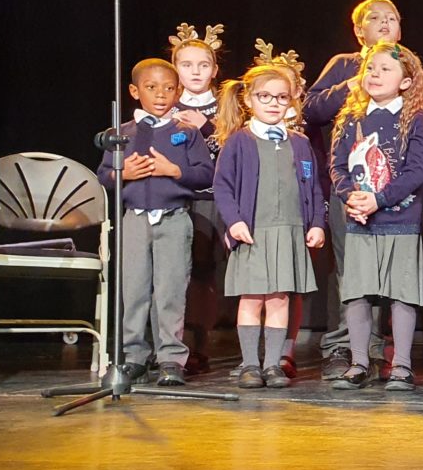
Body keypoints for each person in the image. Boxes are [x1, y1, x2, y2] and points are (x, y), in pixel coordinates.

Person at [305, 0, 423, 380]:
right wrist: (352, 195)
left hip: (397, 207)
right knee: (353, 278)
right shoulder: (346, 72)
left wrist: (381, 197)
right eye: (374, 18)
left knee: (397, 285)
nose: (383, 23)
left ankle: (391, 357)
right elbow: (311, 112)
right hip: (353, 201)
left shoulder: (411, 91)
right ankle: (348, 351)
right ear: (358, 31)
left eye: (391, 18)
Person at [96, 58, 215, 385]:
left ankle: (171, 358)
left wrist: (175, 171)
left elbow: (205, 173)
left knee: (171, 291)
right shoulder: (122, 134)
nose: (161, 94)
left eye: (168, 88)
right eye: (151, 87)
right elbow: (103, 175)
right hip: (135, 221)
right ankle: (134, 355)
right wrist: (124, 174)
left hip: (174, 220)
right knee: (133, 291)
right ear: (135, 91)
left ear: (178, 91)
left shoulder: (186, 133)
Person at [328, 41, 423, 391]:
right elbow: (337, 165)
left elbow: (418, 170)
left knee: (401, 292)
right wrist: (352, 197)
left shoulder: (416, 119)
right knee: (357, 291)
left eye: (385, 69)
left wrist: (380, 199)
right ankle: (360, 362)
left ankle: (401, 365)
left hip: (399, 221)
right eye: (370, 69)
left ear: (406, 81)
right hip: (360, 221)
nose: (374, 75)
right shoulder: (351, 117)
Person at [212, 55, 326, 388]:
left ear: (291, 101)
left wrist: (317, 223)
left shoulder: (300, 144)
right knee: (252, 298)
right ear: (249, 100)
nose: (274, 103)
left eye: (281, 97)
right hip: (253, 232)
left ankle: (274, 364)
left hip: (289, 232)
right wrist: (234, 222)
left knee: (279, 298)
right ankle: (250, 364)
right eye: (265, 96)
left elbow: (314, 187)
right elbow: (223, 187)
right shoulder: (239, 141)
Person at [169, 22, 227, 375]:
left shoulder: (224, 107)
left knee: (204, 272)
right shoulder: (165, 102)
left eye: (203, 66)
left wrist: (204, 127)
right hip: (174, 198)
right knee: (174, 273)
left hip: (210, 199)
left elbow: (233, 148)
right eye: (187, 65)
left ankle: (198, 344)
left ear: (214, 70)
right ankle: (168, 344)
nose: (195, 72)